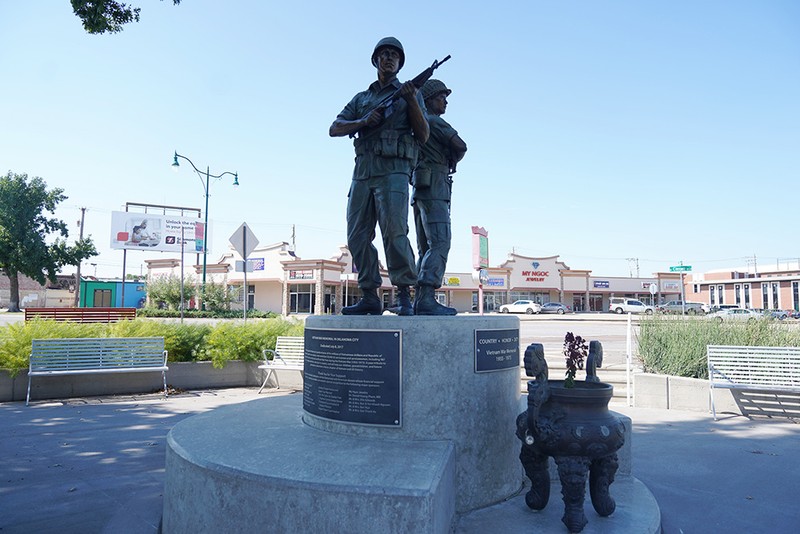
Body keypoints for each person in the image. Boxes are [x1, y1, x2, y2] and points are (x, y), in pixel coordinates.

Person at [329, 37, 429, 316]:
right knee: (357, 235)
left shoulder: (411, 93)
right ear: (375, 60)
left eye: (394, 55)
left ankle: (405, 294)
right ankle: (370, 294)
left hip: (394, 171)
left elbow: (423, 135)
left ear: (400, 62)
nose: (389, 58)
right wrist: (363, 121)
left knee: (395, 233)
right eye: (384, 54)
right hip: (363, 171)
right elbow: (334, 127)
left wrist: (411, 100)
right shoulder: (362, 98)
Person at [411, 79, 467, 315]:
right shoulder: (436, 122)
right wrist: (451, 158)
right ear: (430, 99)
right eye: (441, 97)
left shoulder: (416, 124)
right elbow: (462, 146)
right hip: (435, 186)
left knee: (425, 247)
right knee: (441, 241)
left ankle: (419, 299)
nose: (445, 102)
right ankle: (426, 297)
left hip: (420, 187)